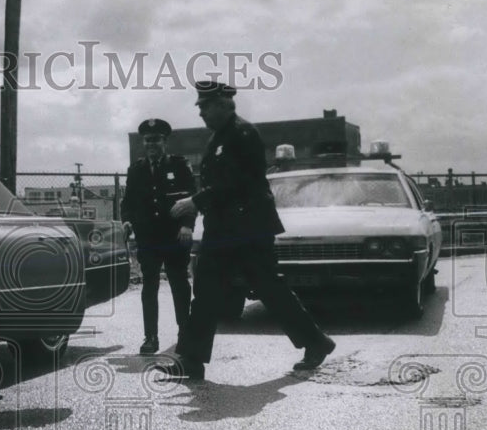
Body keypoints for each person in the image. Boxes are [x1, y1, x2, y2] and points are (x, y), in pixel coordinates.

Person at [157, 81, 336, 381]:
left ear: (225, 104)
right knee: (205, 291)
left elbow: (236, 183)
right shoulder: (219, 138)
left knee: (269, 288)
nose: (200, 111)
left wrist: (195, 201)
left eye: (206, 105)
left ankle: (316, 342)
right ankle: (191, 360)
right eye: (200, 106)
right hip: (224, 228)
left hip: (249, 228)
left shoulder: (242, 134)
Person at [121, 118, 195, 355]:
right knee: (149, 287)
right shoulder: (136, 170)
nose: (151, 144)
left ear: (165, 141)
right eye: (148, 140)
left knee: (179, 285)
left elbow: (192, 199)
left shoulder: (180, 166)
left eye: (156, 140)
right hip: (148, 239)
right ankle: (150, 337)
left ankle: (185, 334)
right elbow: (128, 203)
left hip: (174, 237)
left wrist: (187, 226)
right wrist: (126, 221)